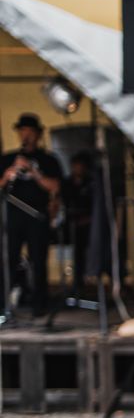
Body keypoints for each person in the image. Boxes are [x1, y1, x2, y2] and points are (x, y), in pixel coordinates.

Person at [0, 113, 62, 315]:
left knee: (38, 260)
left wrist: (34, 173)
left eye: (30, 132)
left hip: (37, 216)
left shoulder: (48, 159)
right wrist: (8, 173)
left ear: (37, 134)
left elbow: (55, 186)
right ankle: (4, 306)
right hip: (12, 215)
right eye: (22, 131)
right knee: (8, 259)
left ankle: (39, 305)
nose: (26, 135)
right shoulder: (8, 158)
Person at [59, 150, 96, 295]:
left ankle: (89, 279)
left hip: (89, 226)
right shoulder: (67, 183)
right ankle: (77, 283)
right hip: (70, 224)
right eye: (75, 165)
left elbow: (95, 209)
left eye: (80, 165)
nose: (77, 168)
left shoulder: (91, 183)